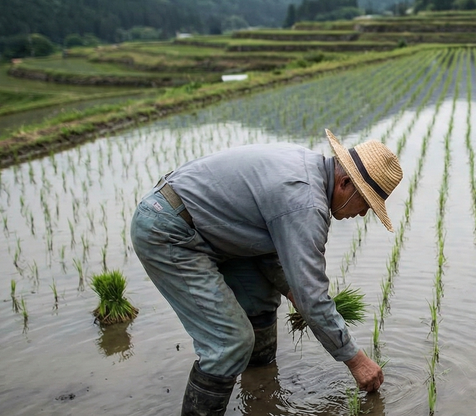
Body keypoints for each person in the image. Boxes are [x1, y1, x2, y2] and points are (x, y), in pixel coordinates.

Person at [131, 129, 402, 416]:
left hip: (213, 230)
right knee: (229, 342)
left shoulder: (309, 168)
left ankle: (260, 397)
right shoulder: (306, 202)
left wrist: (290, 288)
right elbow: (313, 297)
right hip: (170, 230)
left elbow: (265, 240)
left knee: (260, 302)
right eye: (366, 205)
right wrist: (356, 360)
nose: (362, 214)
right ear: (346, 183)